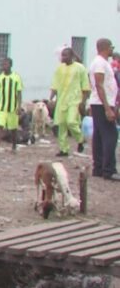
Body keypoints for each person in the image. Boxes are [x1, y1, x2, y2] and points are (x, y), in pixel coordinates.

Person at [49, 47, 91, 158]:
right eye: (62, 55)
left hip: (75, 100)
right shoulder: (59, 69)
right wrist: (51, 99)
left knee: (71, 122)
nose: (63, 57)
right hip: (62, 100)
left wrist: (83, 101)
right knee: (61, 124)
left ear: (71, 56)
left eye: (65, 55)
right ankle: (64, 149)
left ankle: (80, 139)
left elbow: (86, 86)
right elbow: (54, 85)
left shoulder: (80, 68)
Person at [88, 38, 119, 181]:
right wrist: (107, 108)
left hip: (99, 103)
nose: (112, 49)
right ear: (106, 48)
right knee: (110, 135)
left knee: (99, 136)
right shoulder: (100, 63)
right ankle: (109, 169)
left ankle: (98, 168)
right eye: (111, 47)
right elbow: (99, 85)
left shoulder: (101, 62)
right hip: (102, 103)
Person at [0, 58, 23, 156]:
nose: (4, 66)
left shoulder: (16, 77)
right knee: (0, 126)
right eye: (3, 64)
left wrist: (19, 106)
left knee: (13, 129)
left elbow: (19, 93)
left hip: (12, 107)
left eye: (6, 64)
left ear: (10, 65)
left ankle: (14, 146)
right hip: (2, 107)